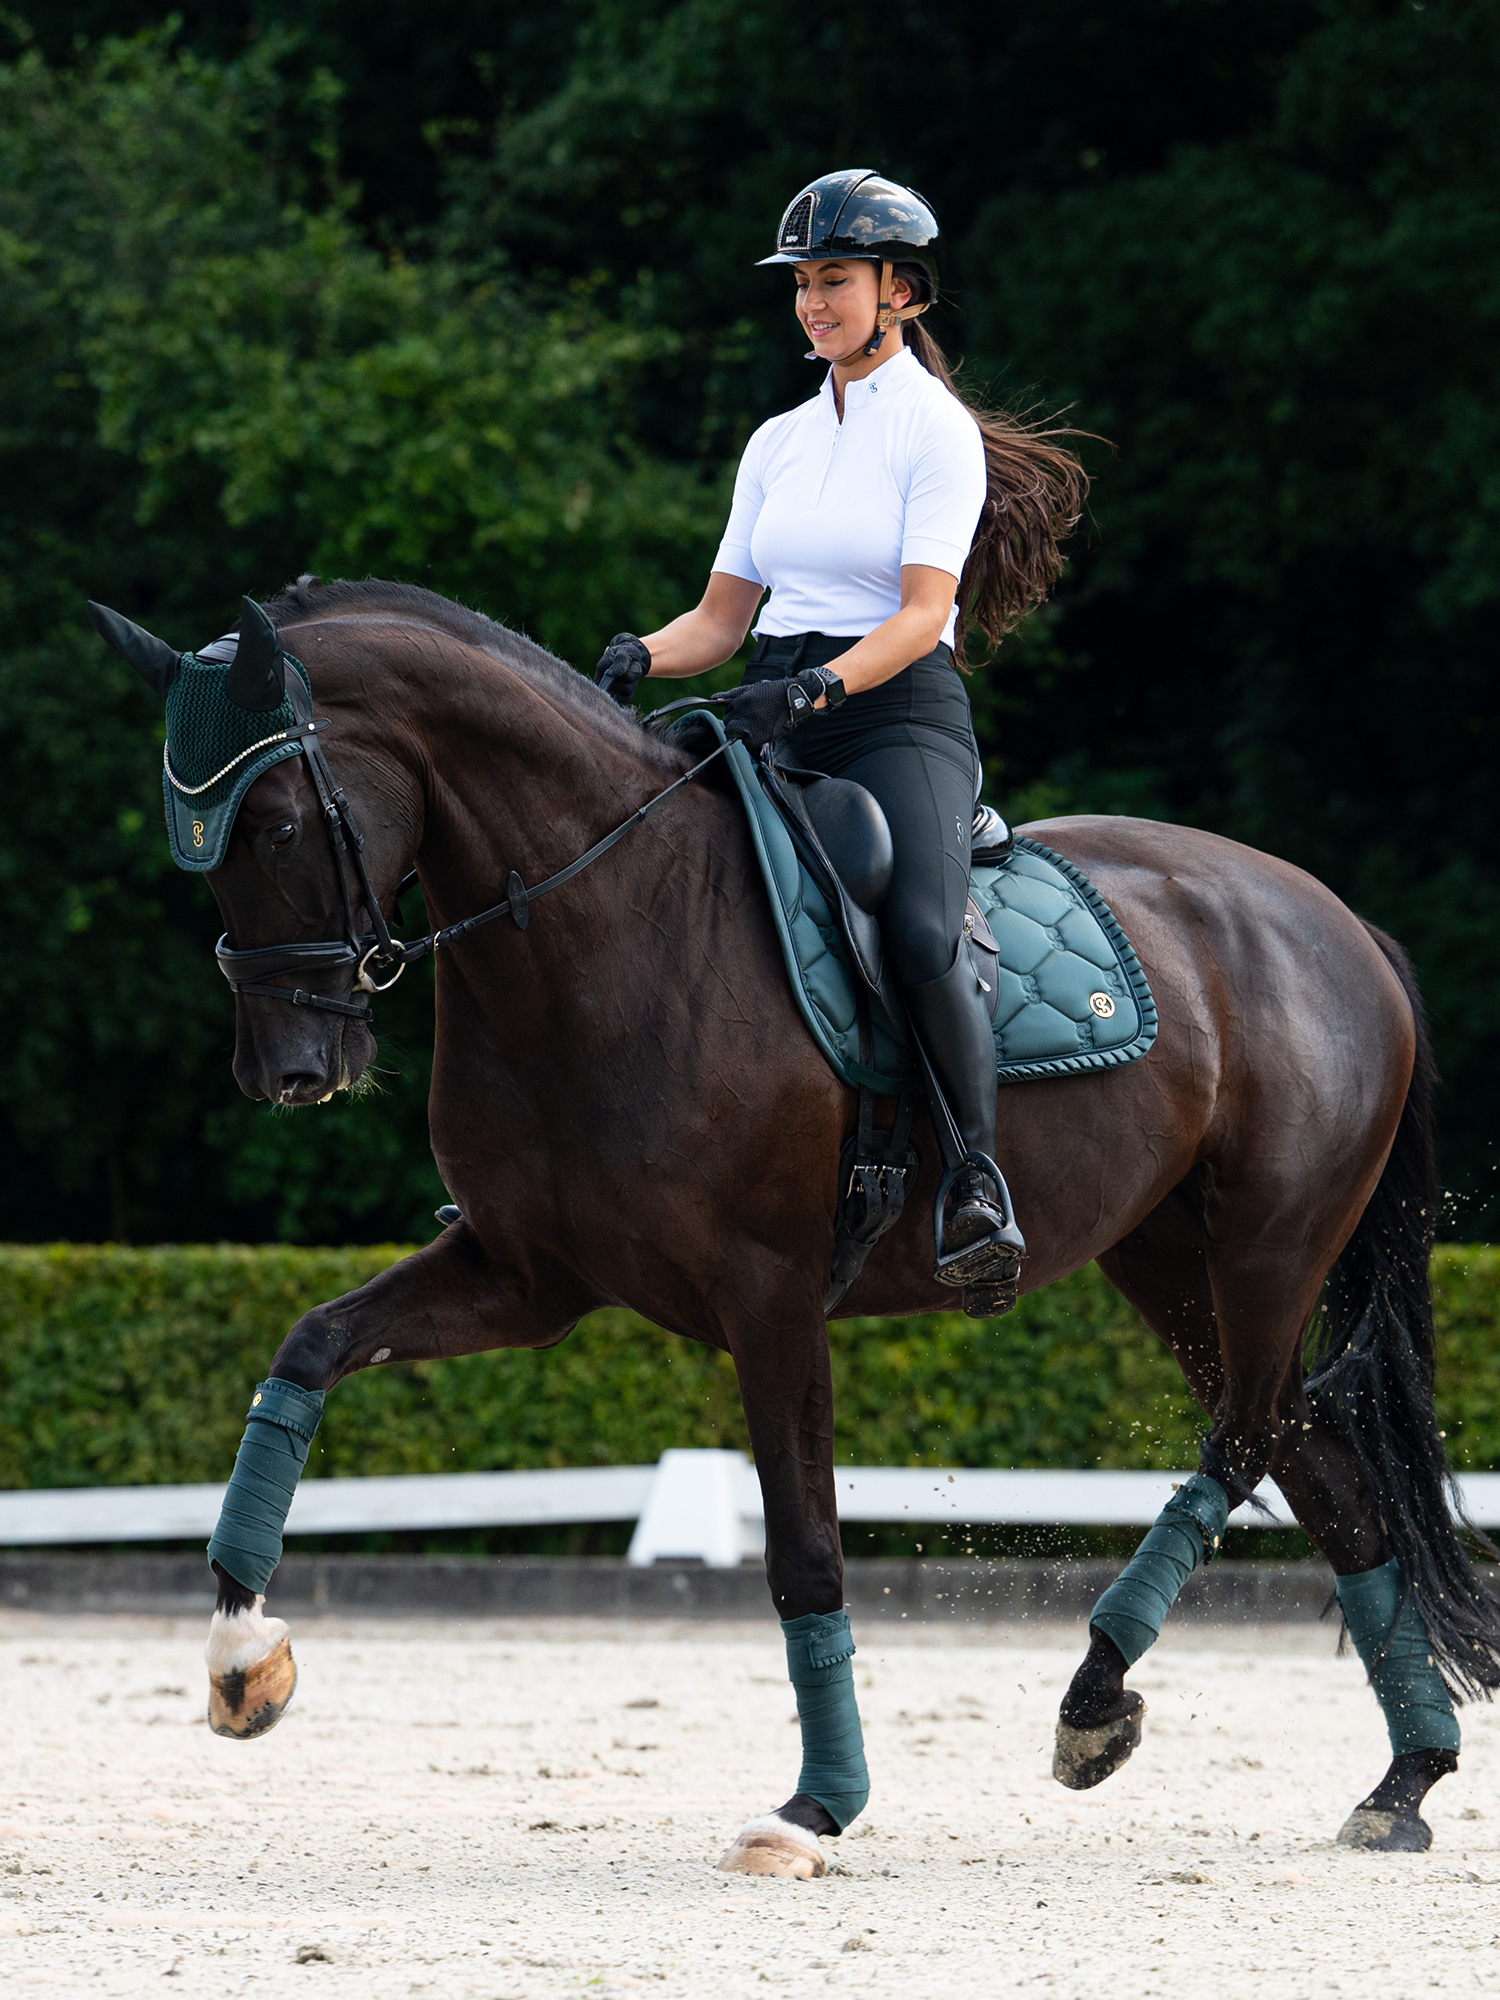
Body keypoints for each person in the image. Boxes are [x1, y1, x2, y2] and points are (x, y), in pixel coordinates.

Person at [594, 167, 1086, 1311]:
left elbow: (921, 614)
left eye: (835, 283)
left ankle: (974, 1178)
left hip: (892, 713)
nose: (813, 304)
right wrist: (640, 655)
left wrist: (817, 689)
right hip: (771, 695)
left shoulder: (937, 435)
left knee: (919, 925)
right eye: (803, 285)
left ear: (899, 292)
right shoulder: (776, 441)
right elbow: (722, 619)